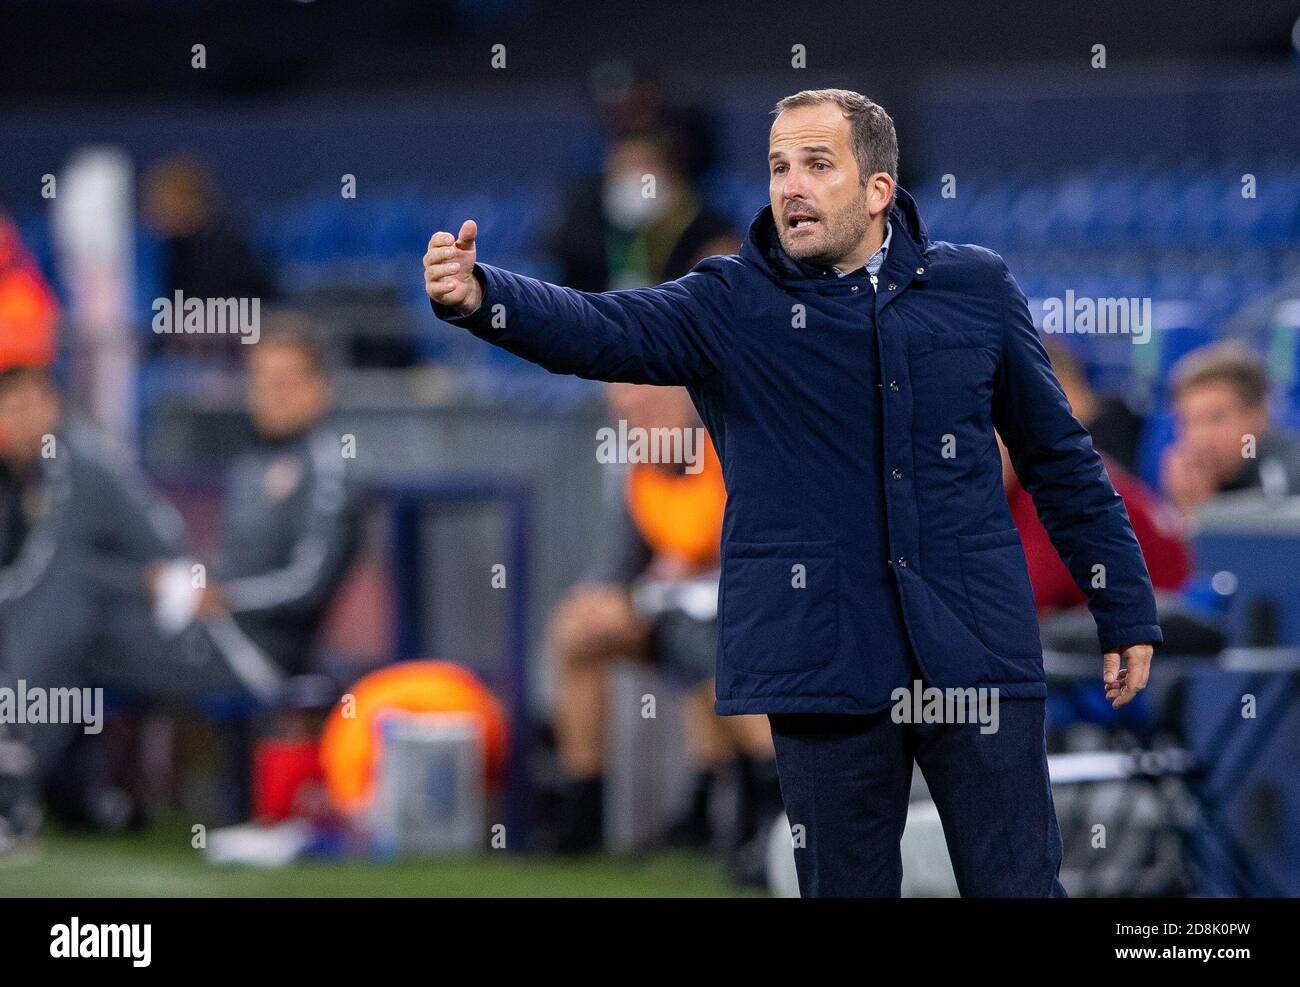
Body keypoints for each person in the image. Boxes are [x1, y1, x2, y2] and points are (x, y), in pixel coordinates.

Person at [424, 89, 1162, 897]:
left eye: (817, 164)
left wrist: (1121, 605)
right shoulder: (730, 301)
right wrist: (486, 298)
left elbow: (1060, 458)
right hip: (823, 666)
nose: (792, 186)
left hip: (975, 652)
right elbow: (604, 329)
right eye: (779, 166)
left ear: (878, 188)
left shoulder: (975, 288)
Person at [546, 381, 781, 880]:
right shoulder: (634, 459)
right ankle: (583, 808)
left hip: (751, 603)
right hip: (674, 604)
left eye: (642, 398)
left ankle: (769, 812)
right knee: (577, 630)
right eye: (622, 403)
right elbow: (622, 562)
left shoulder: (732, 439)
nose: (630, 411)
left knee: (713, 648)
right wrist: (610, 595)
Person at [1160, 340, 1300, 520]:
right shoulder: (1188, 480)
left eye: (1216, 418)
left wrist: (1203, 512)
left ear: (1259, 417)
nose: (1201, 437)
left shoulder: (1290, 472)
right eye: (1190, 421)